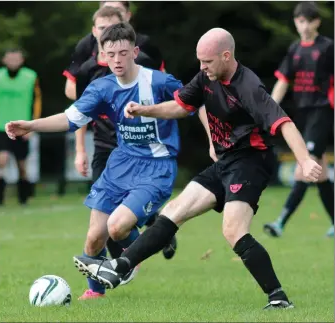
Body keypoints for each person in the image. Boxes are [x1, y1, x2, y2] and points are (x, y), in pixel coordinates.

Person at [73, 27, 323, 309]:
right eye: (200, 61)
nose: (202, 67)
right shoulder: (206, 77)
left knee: (233, 230)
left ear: (226, 56)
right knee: (173, 212)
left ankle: (278, 298)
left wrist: (304, 160)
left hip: (250, 162)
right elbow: (181, 107)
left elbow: (284, 122)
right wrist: (145, 110)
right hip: (225, 161)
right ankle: (118, 267)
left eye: (207, 62)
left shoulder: (248, 86)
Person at [5, 23, 184, 301]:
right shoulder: (101, 87)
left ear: (135, 52)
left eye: (123, 53)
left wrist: (212, 142)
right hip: (121, 163)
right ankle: (95, 293)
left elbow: (193, 103)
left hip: (156, 166)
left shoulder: (159, 82)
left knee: (117, 226)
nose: (116, 60)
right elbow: (70, 118)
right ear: (102, 53)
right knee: (94, 237)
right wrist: (31, 125)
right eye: (110, 54)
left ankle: (128, 260)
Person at [71, 6, 179, 284]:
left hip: (144, 150)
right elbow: (76, 113)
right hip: (106, 146)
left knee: (117, 224)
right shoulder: (86, 67)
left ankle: (134, 253)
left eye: (112, 24)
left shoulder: (145, 62)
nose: (105, 31)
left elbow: (181, 97)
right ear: (94, 32)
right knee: (98, 229)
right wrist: (80, 150)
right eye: (100, 27)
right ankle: (99, 285)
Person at [263, 2, 334, 238]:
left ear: (316, 22)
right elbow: (283, 79)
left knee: (305, 166)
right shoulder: (295, 49)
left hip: (322, 111)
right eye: (299, 21)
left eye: (307, 21)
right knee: (320, 172)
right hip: (302, 114)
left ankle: (281, 222)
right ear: (295, 22)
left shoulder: (327, 47)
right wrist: (270, 108)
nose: (303, 26)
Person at [63, 1, 164, 101]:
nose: (107, 32)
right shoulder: (86, 63)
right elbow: (76, 98)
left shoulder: (142, 54)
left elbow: (163, 85)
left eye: (117, 11)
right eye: (102, 28)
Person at [0, 48, 42, 205]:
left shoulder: (30, 76)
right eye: (10, 59)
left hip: (22, 127)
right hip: (0, 126)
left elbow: (37, 101)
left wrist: (33, 125)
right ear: (4, 60)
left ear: (22, 60)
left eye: (17, 59)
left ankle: (24, 198)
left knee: (22, 166)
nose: (13, 62)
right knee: (1, 160)